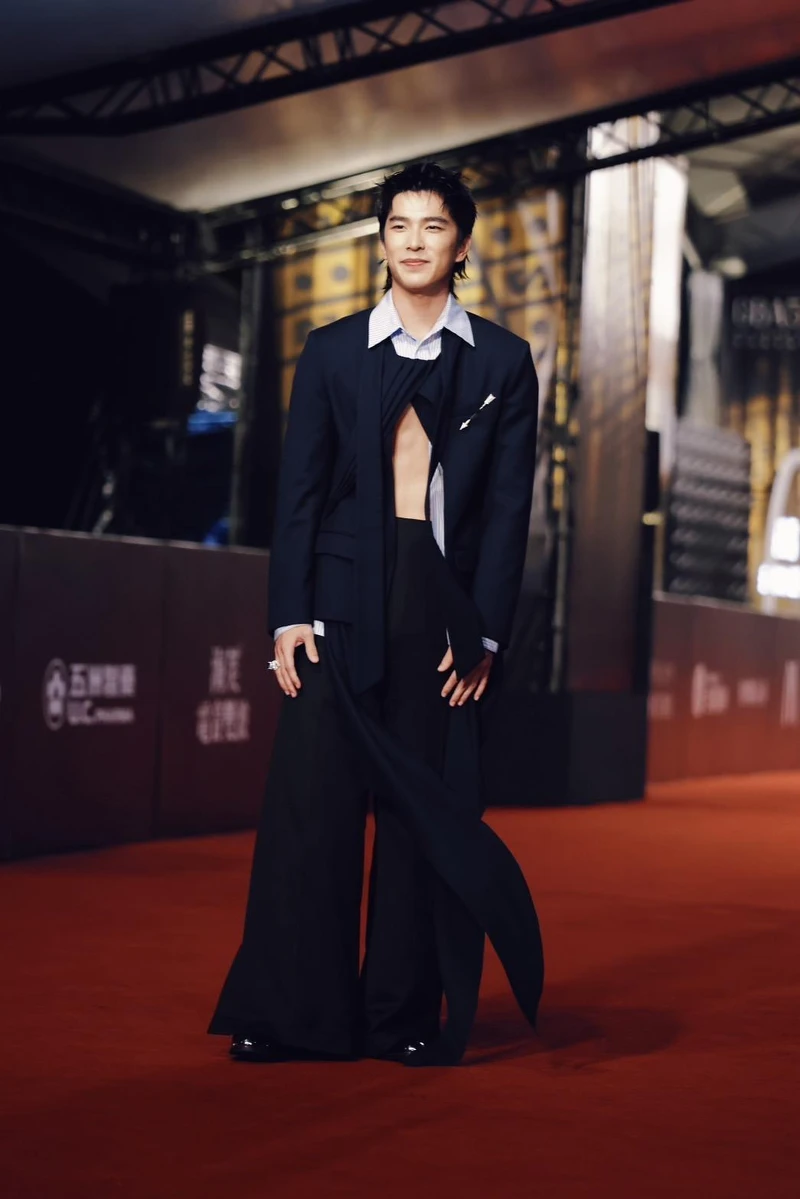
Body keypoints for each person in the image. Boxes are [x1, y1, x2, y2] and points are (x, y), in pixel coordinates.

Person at [209, 162, 544, 1067]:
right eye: (398, 224)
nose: (413, 239)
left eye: (433, 225)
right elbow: (300, 490)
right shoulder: (331, 350)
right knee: (309, 807)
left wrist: (484, 632)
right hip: (336, 594)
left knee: (415, 815)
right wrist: (289, 613)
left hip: (437, 608)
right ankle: (290, 1014)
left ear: (461, 245)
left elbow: (508, 512)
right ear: (382, 239)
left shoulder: (503, 360)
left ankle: (401, 1016)